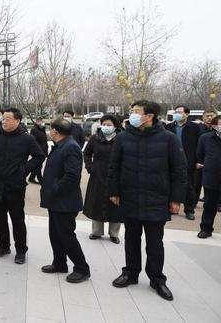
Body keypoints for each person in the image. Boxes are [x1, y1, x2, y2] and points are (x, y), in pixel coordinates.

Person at [108, 100, 187, 301]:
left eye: (136, 111)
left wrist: (176, 198)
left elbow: (179, 170)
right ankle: (130, 273)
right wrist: (114, 191)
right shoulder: (123, 138)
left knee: (155, 243)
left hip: (156, 199)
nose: (132, 114)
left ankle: (157, 279)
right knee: (131, 239)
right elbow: (114, 167)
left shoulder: (168, 139)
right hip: (130, 197)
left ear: (149, 116)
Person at [0, 107, 45, 265]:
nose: (4, 121)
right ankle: (3, 246)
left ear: (17, 121)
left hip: (15, 186)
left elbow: (39, 156)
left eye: (8, 118)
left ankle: (21, 250)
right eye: (3, 118)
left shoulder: (26, 138)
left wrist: (23, 171)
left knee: (17, 219)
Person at [40, 118, 91, 283]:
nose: (50, 131)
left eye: (51, 129)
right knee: (55, 234)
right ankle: (60, 263)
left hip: (65, 202)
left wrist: (55, 189)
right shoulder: (61, 145)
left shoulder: (71, 148)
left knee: (66, 236)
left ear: (56, 131)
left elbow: (72, 177)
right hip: (55, 201)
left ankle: (82, 268)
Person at [83, 115, 123, 243]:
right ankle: (96, 231)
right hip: (98, 174)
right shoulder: (95, 138)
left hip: (116, 175)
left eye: (109, 124)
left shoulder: (122, 138)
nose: (106, 126)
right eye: (104, 124)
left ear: (115, 126)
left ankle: (114, 233)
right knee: (97, 202)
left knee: (116, 204)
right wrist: (90, 167)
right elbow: (87, 153)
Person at [165, 106, 201, 220]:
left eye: (179, 112)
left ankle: (189, 210)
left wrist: (198, 160)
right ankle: (170, 208)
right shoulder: (168, 127)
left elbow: (200, 146)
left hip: (188, 161)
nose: (177, 114)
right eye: (176, 112)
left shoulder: (195, 128)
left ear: (186, 114)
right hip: (171, 161)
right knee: (169, 185)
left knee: (189, 187)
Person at [196, 116, 221, 238]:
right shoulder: (205, 138)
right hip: (212, 177)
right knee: (209, 205)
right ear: (215, 126)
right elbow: (199, 155)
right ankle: (206, 228)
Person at [28, 117, 49, 184]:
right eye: (41, 121)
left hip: (43, 150)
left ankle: (31, 178)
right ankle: (41, 180)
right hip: (38, 151)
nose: (42, 123)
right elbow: (33, 141)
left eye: (43, 122)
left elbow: (44, 139)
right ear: (37, 122)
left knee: (38, 165)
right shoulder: (34, 130)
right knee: (39, 165)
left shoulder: (42, 129)